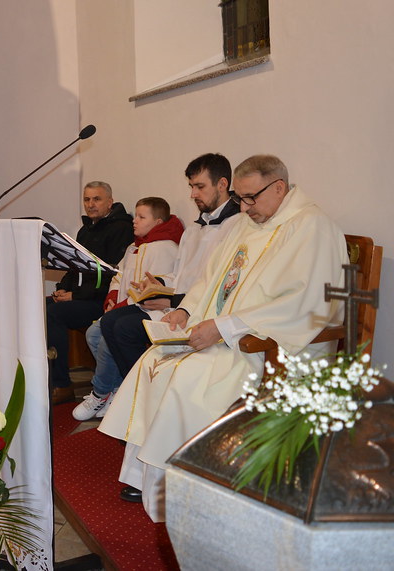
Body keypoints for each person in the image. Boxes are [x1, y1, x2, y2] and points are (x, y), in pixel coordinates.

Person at [99, 155, 348, 521]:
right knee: (155, 360)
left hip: (270, 346)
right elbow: (212, 278)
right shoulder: (249, 223)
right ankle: (149, 477)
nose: (244, 208)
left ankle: (183, 489)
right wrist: (187, 310)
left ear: (279, 187)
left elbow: (307, 304)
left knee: (188, 377)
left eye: (250, 198)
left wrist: (224, 328)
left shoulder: (313, 228)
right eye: (240, 198)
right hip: (225, 333)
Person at [86, 153, 242, 425]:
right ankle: (138, 394)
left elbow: (220, 284)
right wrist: (159, 283)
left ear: (222, 184)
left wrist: (173, 301)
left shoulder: (236, 226)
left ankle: (149, 398)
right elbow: (181, 273)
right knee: (110, 322)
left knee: (124, 329)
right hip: (177, 302)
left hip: (199, 311)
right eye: (191, 186)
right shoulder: (194, 229)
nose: (193, 194)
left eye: (199, 186)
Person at [73, 197, 183, 421]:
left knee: (106, 337)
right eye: (136, 215)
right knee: (93, 333)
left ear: (158, 221)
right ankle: (116, 389)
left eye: (142, 217)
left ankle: (101, 392)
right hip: (126, 306)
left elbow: (158, 288)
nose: (135, 220)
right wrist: (113, 298)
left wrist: (121, 306)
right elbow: (119, 275)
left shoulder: (165, 248)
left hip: (152, 311)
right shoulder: (135, 246)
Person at [46, 181, 133, 404]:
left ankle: (62, 384)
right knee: (42, 306)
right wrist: (62, 288)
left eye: (97, 199)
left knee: (53, 314)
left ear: (110, 202)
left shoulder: (121, 229)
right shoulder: (85, 230)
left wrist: (75, 296)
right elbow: (74, 266)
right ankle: (46, 375)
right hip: (82, 297)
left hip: (102, 301)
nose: (90, 204)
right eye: (87, 199)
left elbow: (111, 274)